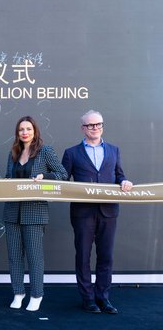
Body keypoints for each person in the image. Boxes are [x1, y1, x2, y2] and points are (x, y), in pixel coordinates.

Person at [62, 110, 133, 314]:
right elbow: (62, 180)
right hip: (82, 213)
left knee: (106, 256)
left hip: (108, 211)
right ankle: (88, 298)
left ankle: (103, 298)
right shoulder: (71, 153)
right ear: (82, 128)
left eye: (98, 124)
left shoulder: (114, 150)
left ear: (102, 125)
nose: (95, 128)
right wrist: (44, 183)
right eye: (90, 125)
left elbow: (119, 175)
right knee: (83, 256)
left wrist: (124, 181)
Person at [3, 116, 67, 312]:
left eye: (28, 129)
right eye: (21, 129)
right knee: (14, 256)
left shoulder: (45, 151)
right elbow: (8, 177)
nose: (25, 132)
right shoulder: (13, 153)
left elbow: (63, 175)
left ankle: (36, 294)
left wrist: (44, 177)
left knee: (34, 257)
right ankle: (18, 292)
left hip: (35, 212)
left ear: (35, 130)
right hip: (12, 212)